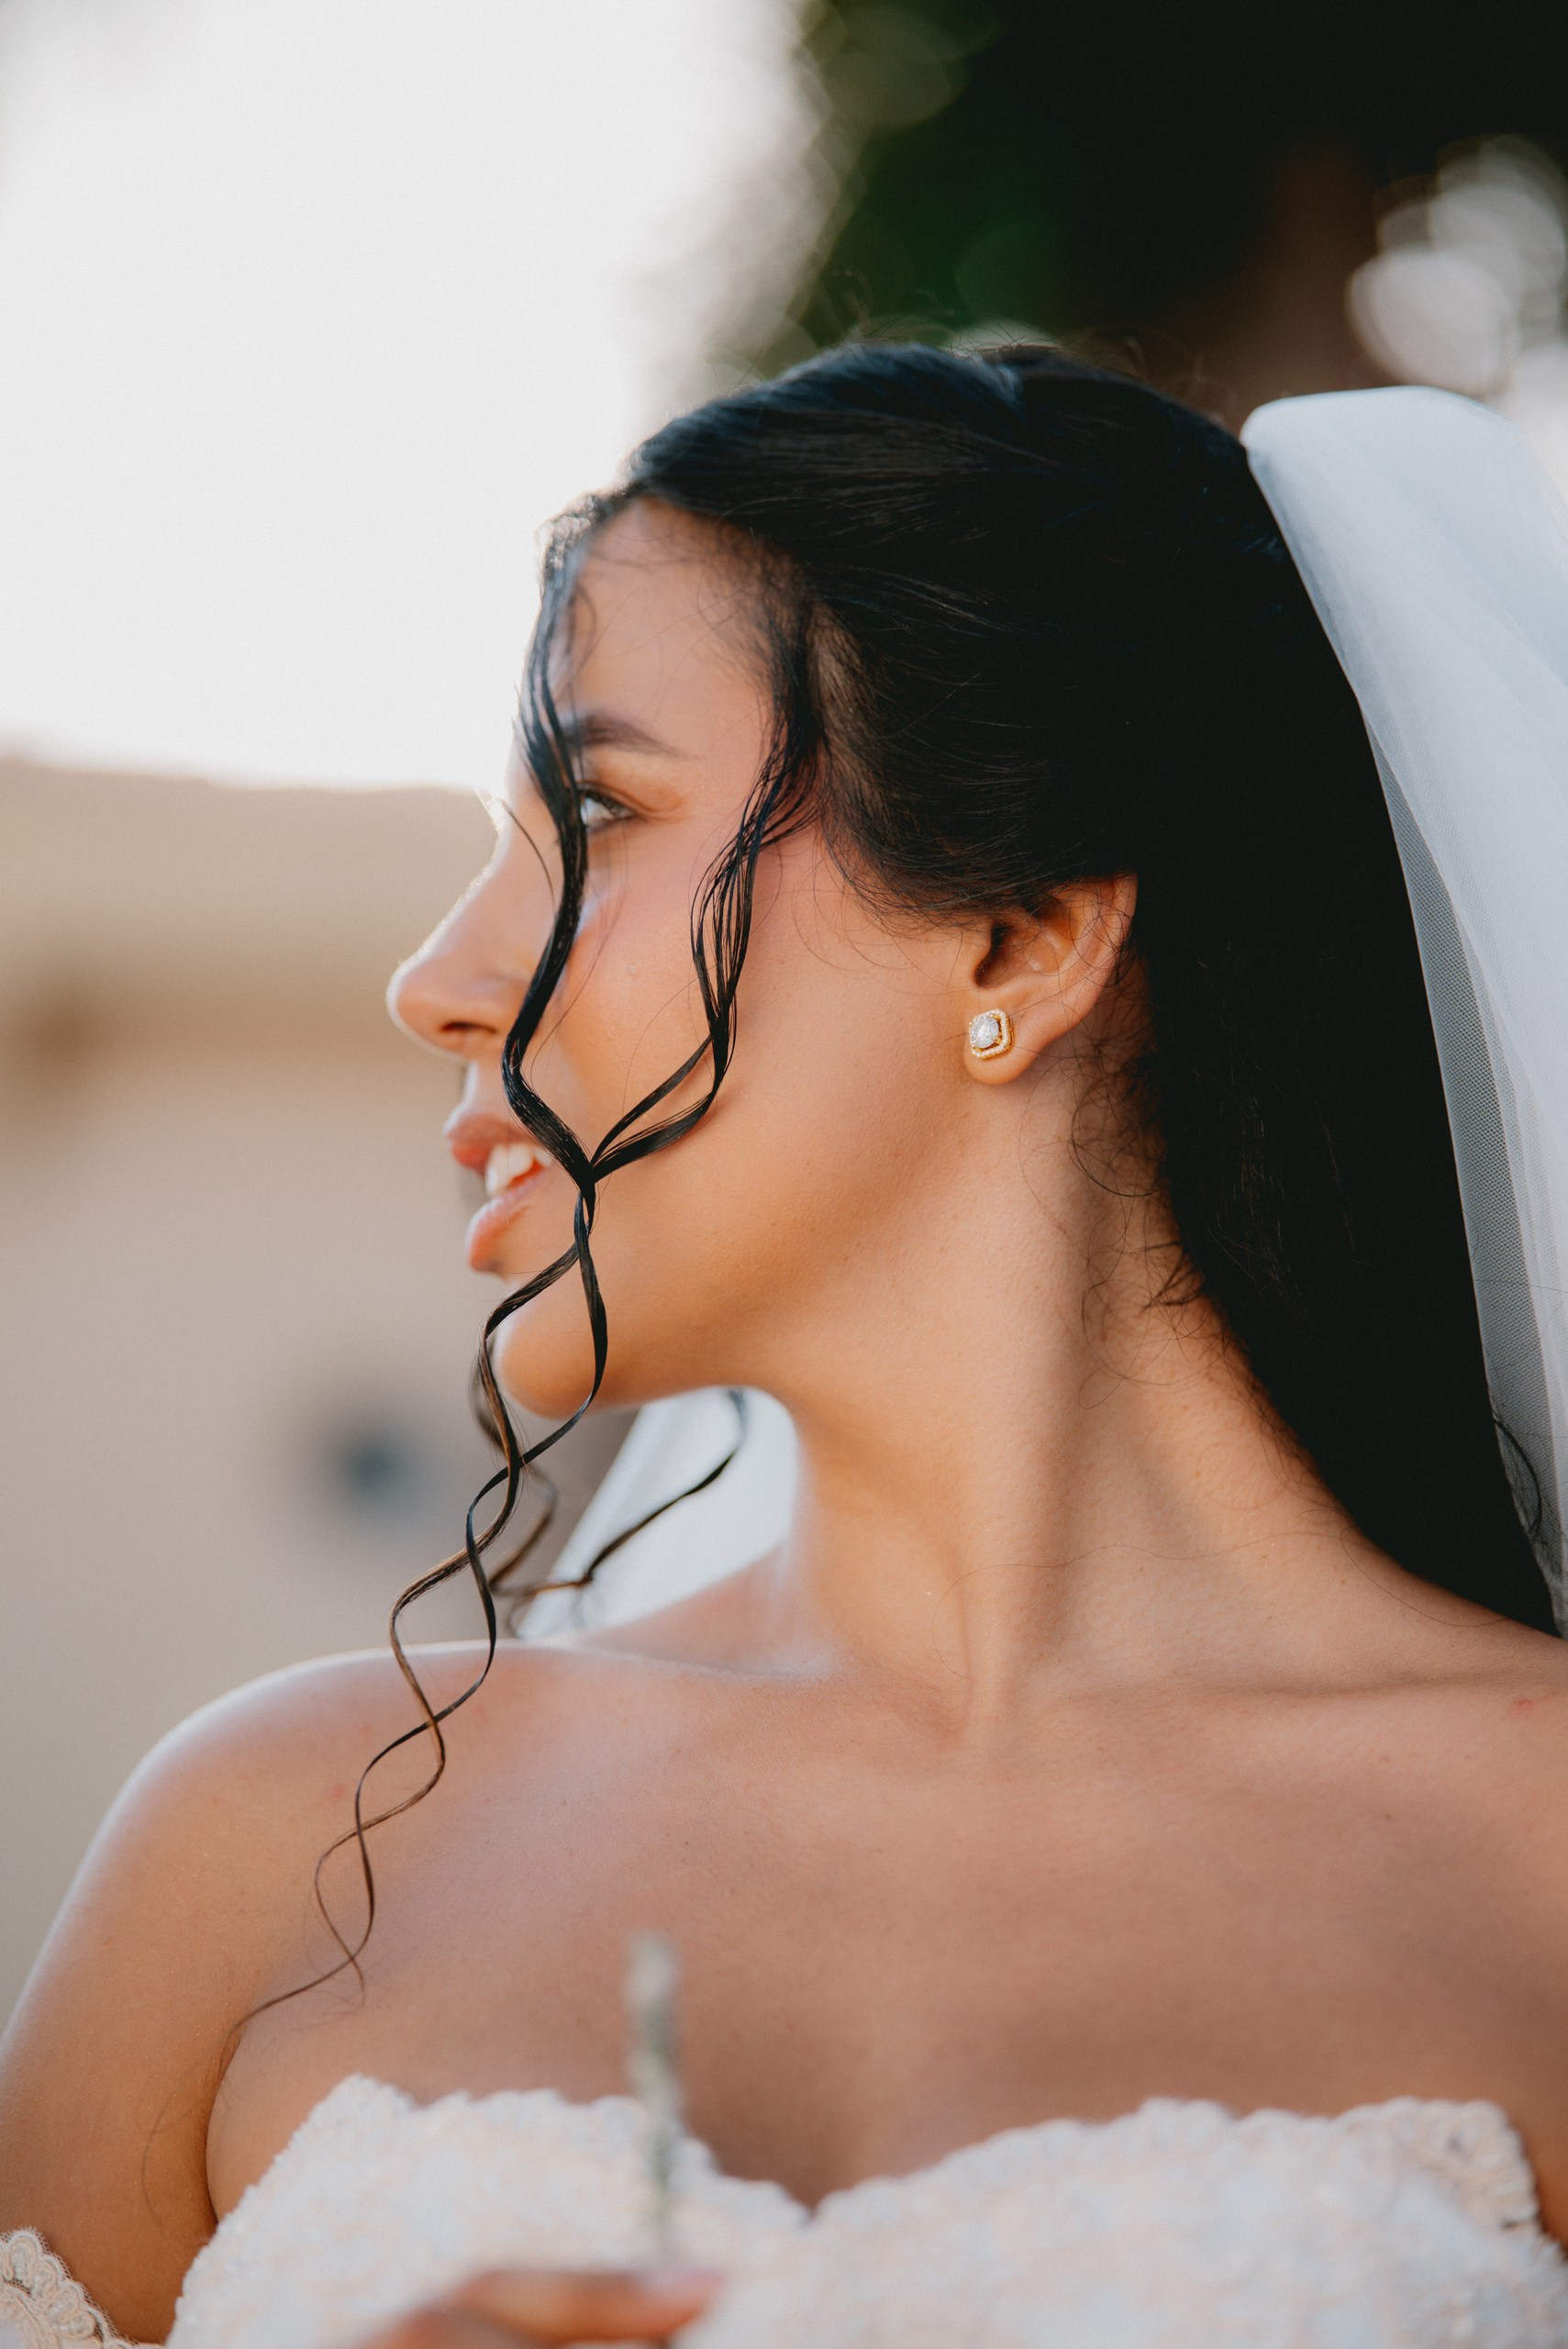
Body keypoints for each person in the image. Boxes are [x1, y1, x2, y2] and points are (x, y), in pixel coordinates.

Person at [5, 344, 1568, 2349]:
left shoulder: (1529, 1863)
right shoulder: (267, 1846)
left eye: (592, 809)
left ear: (1016, 934)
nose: (439, 976)